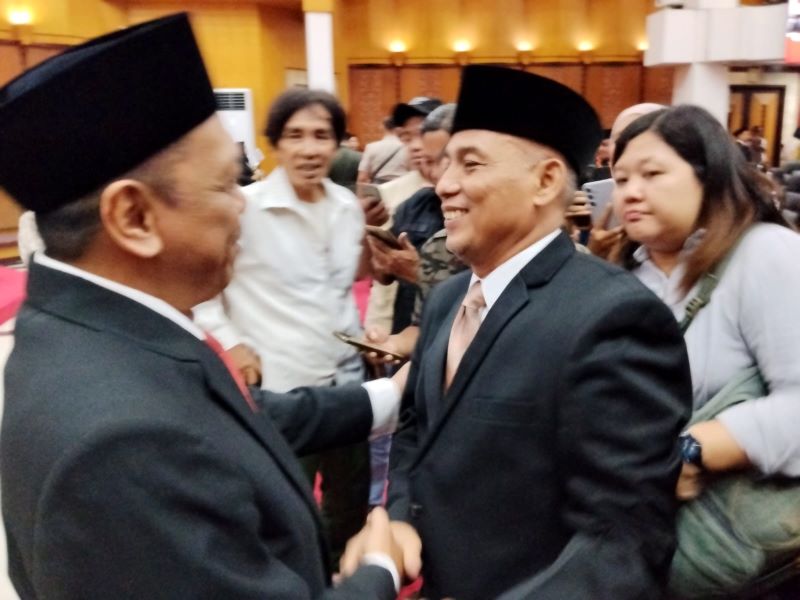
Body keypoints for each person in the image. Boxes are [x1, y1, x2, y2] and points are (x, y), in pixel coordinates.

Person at [0, 14, 407, 599]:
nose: (240, 206)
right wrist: (380, 570)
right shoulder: (123, 445)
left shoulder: (99, 329)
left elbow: (229, 416)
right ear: (134, 217)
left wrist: (391, 395)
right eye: (223, 186)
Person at [343, 65, 692, 599]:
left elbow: (623, 540)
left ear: (545, 181)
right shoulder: (447, 299)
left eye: (471, 164)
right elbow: (416, 428)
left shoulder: (612, 318)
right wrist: (400, 519)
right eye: (446, 163)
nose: (445, 184)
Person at [610, 105, 800, 592]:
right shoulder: (622, 274)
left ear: (708, 175)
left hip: (738, 547)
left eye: (652, 174)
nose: (630, 191)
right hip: (635, 536)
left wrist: (694, 450)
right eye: (621, 177)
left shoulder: (764, 254)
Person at [194, 88, 375, 569]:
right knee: (283, 508)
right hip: (281, 389)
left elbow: (340, 290)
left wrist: (364, 339)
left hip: (347, 381)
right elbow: (203, 289)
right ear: (274, 144)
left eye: (321, 135)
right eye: (295, 136)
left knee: (350, 500)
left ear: (338, 143)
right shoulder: (244, 207)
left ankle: (344, 580)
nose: (309, 149)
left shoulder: (345, 205)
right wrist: (231, 343)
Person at [357, 117, 407, 185]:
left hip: (378, 187)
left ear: (382, 127)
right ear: (399, 128)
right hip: (402, 187)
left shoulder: (371, 147)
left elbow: (362, 178)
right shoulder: (407, 147)